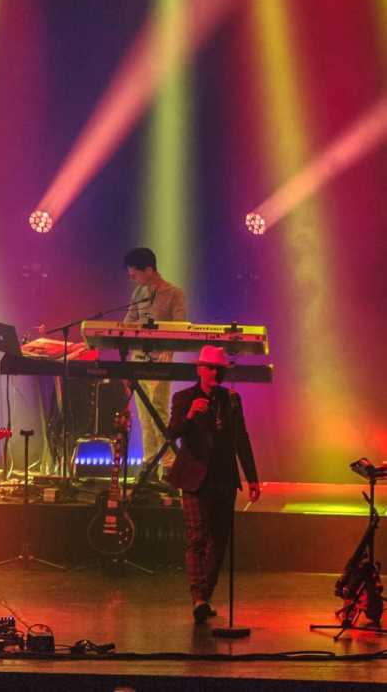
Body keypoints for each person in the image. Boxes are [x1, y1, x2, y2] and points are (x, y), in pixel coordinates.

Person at [166, 345, 261, 623]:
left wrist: (252, 477)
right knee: (197, 537)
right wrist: (191, 415)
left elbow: (241, 438)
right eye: (208, 368)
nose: (213, 373)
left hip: (224, 479)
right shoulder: (184, 398)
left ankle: (204, 596)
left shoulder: (231, 399)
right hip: (195, 479)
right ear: (199, 369)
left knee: (219, 541)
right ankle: (198, 597)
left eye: (217, 369)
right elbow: (171, 433)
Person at [122, 247, 187, 469]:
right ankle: (149, 465)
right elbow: (127, 325)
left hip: (161, 360)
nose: (132, 277)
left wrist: (169, 349)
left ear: (149, 270)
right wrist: (128, 364)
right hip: (138, 360)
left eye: (135, 273)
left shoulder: (175, 293)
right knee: (144, 417)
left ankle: (168, 465)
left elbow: (180, 328)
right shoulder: (138, 294)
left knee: (158, 410)